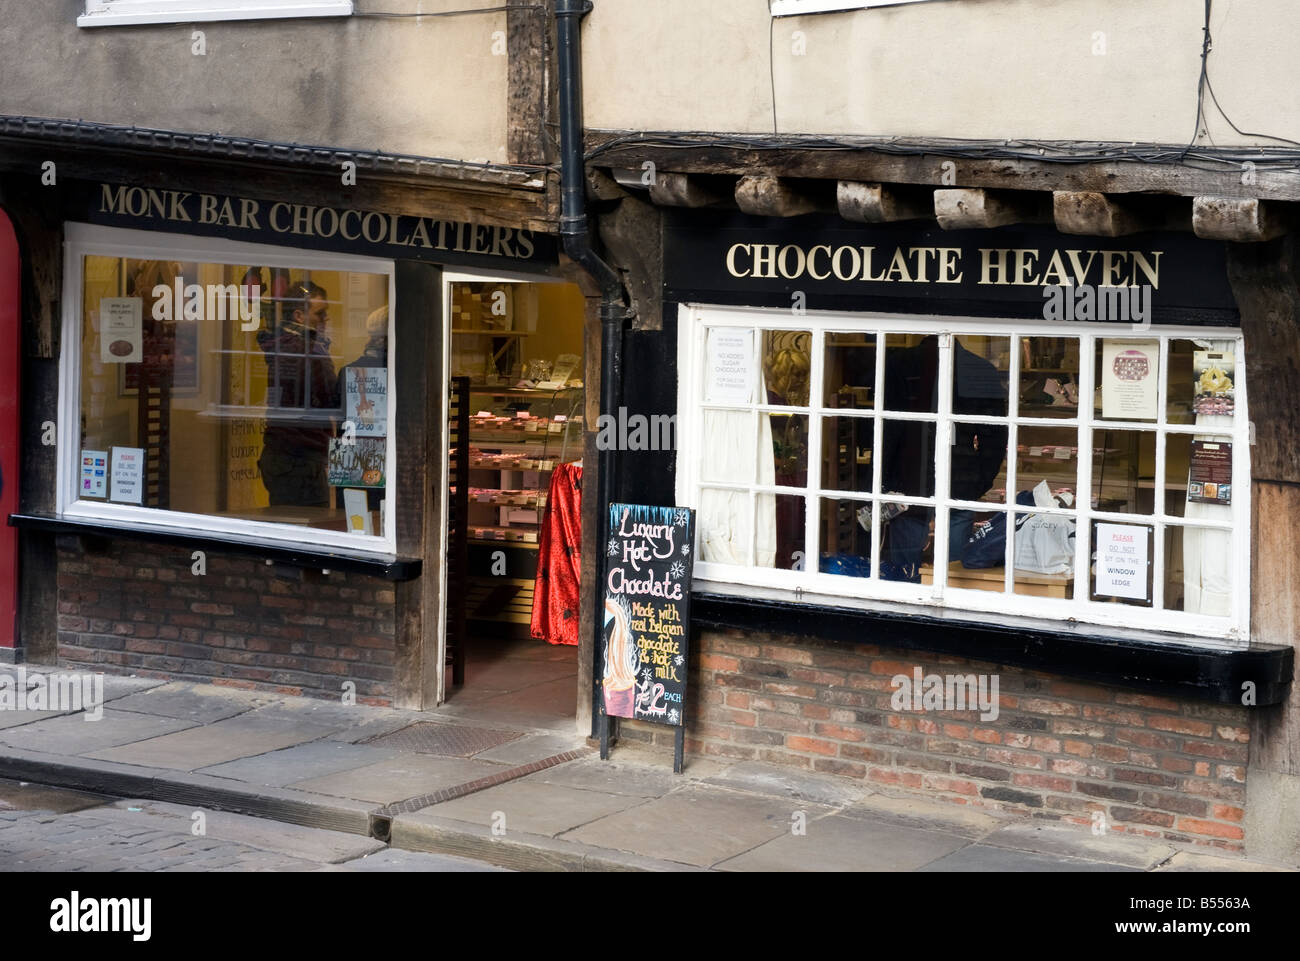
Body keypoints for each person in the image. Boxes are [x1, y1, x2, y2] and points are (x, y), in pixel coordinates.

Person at [257, 280, 339, 507]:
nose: (325, 320)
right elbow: (330, 399)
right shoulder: (308, 350)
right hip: (301, 458)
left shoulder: (286, 345)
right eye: (320, 314)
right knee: (312, 529)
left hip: (283, 454)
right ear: (299, 316)